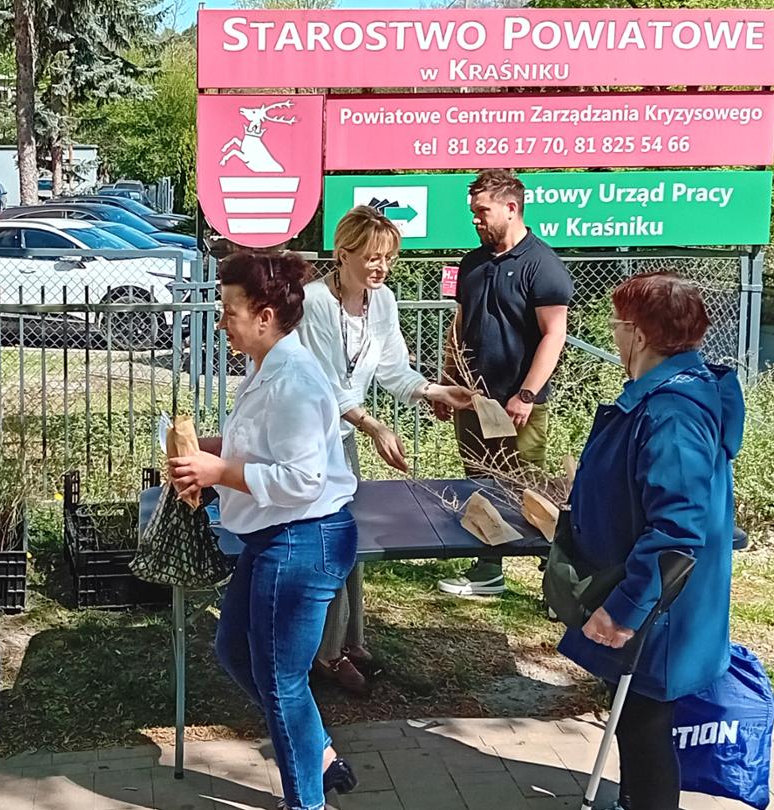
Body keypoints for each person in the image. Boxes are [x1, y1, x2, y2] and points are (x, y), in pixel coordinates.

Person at [168, 250, 361, 810]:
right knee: (235, 651)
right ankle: (318, 753)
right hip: (275, 537)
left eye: (230, 310)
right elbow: (262, 450)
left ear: (266, 314)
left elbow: (302, 479)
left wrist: (219, 471)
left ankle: (306, 800)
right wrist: (203, 453)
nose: (223, 321)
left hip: (304, 538)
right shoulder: (265, 368)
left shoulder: (295, 380)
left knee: (282, 683)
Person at [558, 273, 743, 810]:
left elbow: (677, 526)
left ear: (637, 334)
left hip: (661, 605)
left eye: (617, 326)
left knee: (642, 727)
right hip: (659, 597)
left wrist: (624, 612)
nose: (614, 335)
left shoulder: (673, 412)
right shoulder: (667, 396)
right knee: (638, 721)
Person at [295, 207, 475, 693]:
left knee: (348, 540)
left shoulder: (384, 300)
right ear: (343, 253)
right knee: (329, 544)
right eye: (372, 258)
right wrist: (375, 426)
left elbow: (394, 369)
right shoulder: (314, 303)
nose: (381, 268)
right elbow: (327, 385)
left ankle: (349, 642)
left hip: (344, 438)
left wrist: (436, 392)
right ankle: (324, 655)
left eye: (388, 259)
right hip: (307, 441)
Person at [435, 169, 574, 598]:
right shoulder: (472, 262)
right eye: (473, 212)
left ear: (511, 209)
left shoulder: (543, 265)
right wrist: (445, 381)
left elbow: (555, 333)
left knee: (526, 490)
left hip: (521, 403)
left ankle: (561, 585)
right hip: (474, 400)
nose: (475, 220)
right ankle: (488, 570)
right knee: (480, 482)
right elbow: (460, 324)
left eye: (483, 211)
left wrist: (527, 394)